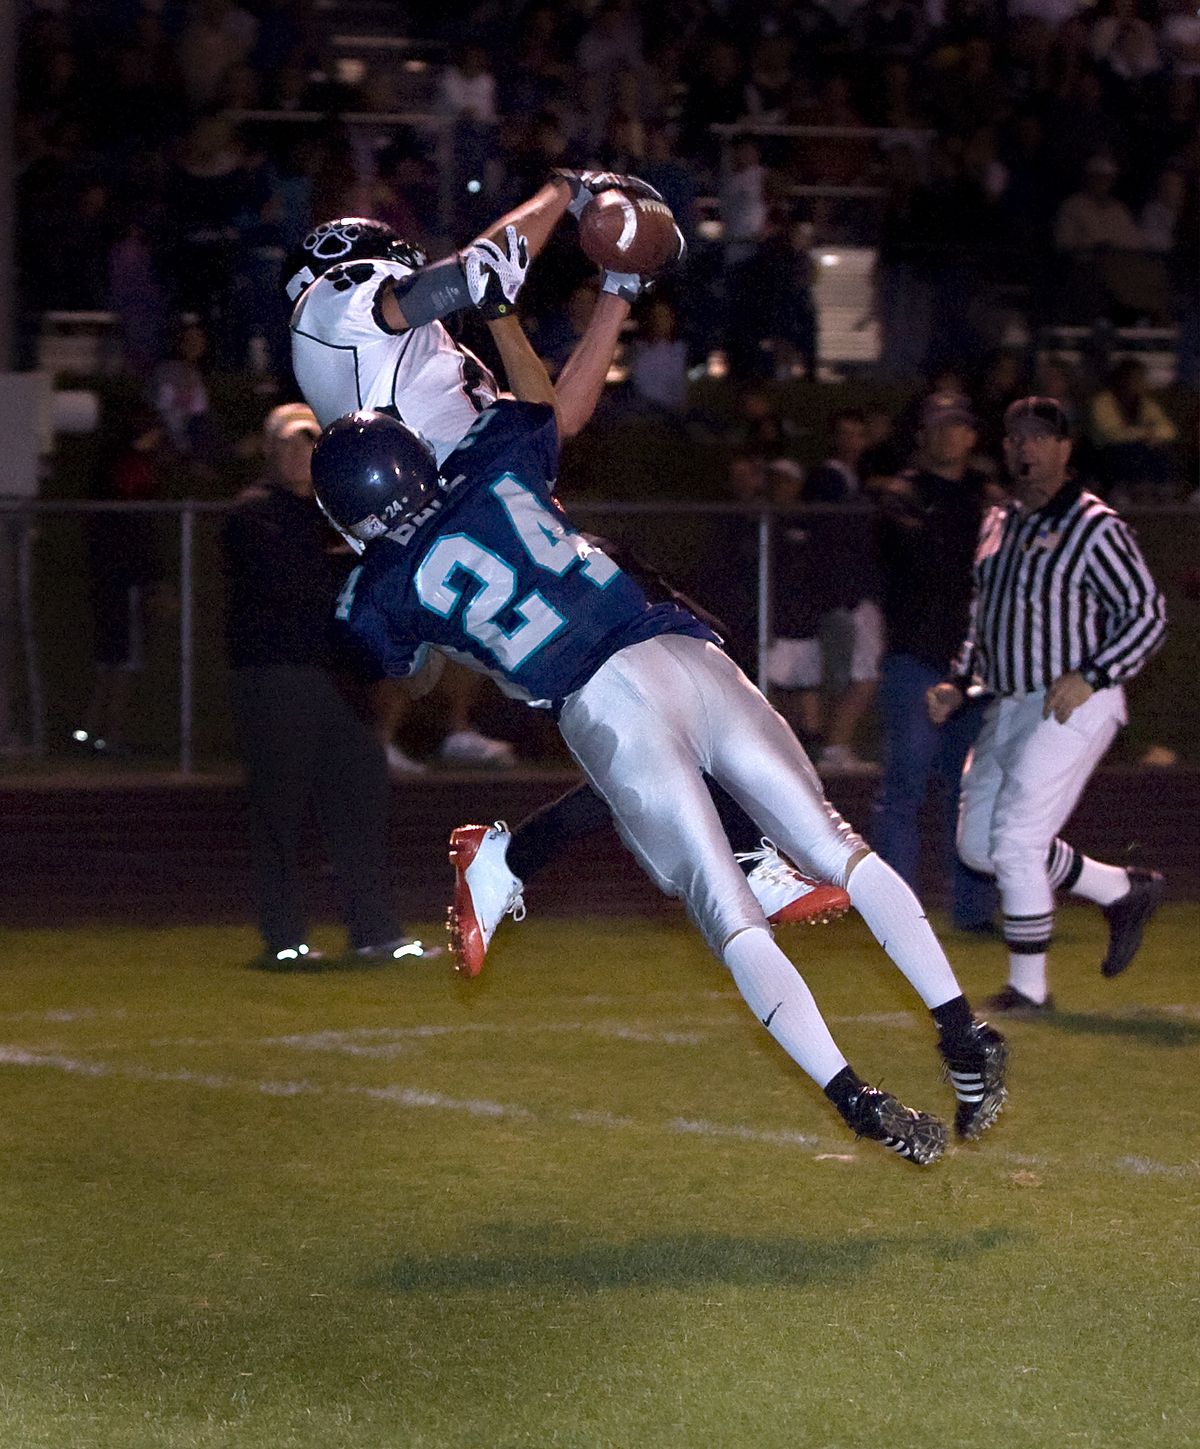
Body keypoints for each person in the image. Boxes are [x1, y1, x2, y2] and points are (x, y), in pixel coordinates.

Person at [310, 295, 1009, 1165]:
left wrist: (433, 629)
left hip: (604, 701)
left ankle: (856, 1096)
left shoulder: (372, 592)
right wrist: (502, 318)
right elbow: (546, 406)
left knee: (732, 916)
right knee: (839, 847)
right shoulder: (491, 460)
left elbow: (400, 667)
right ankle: (961, 1029)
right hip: (685, 649)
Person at [284, 179, 839, 941]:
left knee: (648, 704)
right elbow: (478, 270)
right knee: (665, 661)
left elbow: (552, 418)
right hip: (456, 543)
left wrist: (616, 290)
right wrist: (567, 189)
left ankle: (510, 858)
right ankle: (746, 860)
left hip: (493, 536)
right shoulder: (332, 309)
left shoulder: (423, 361)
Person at [928, 397, 1168, 1013]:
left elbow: (1147, 613)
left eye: (1039, 438)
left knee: (1016, 843)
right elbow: (986, 619)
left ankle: (1029, 990)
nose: (1024, 449)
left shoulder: (1095, 526)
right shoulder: (999, 520)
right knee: (980, 847)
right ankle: (1120, 889)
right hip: (1008, 701)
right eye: (1016, 438)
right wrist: (961, 679)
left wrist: (1093, 673)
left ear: (1065, 449)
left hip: (1073, 702)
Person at [220, 403, 424, 970]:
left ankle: (374, 932)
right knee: (280, 812)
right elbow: (295, 582)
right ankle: (284, 937)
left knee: (361, 799)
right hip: (276, 676)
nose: (300, 455)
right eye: (289, 444)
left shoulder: (333, 513)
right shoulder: (253, 513)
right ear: (270, 450)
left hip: (336, 680)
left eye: (309, 444)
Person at [871, 395, 997, 932]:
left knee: (968, 792)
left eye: (961, 426)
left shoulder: (983, 500)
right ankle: (899, 914)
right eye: (942, 426)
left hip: (973, 664)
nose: (953, 435)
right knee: (908, 785)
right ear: (924, 435)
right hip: (918, 657)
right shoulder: (904, 496)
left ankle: (970, 912)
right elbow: (923, 560)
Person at [800, 411, 884, 773]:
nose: (853, 441)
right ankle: (835, 747)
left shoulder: (858, 477)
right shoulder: (827, 479)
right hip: (847, 595)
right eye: (845, 433)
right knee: (860, 673)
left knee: (857, 671)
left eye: (859, 434)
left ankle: (838, 745)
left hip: (857, 593)